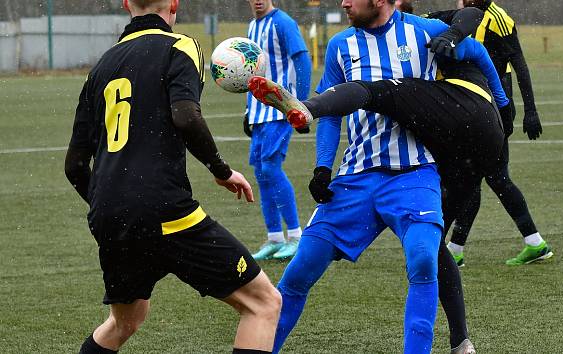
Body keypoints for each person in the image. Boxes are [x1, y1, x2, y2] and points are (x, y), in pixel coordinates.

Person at [247, 1, 502, 353]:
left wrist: (501, 103)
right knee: (299, 270)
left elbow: (476, 51)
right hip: (356, 175)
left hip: (414, 173)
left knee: (425, 258)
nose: (344, 4)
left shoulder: (422, 31)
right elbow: (333, 114)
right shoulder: (340, 45)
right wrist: (323, 167)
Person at [64, 1, 281, 353]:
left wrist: (117, 207)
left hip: (109, 214)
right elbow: (185, 115)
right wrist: (222, 171)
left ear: (125, 4)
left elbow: (74, 166)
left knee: (125, 321)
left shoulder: (101, 67)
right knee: (263, 304)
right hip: (164, 208)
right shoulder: (181, 46)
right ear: (175, 4)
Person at [430, 0, 551, 266]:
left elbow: (518, 62)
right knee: (480, 178)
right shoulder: (455, 17)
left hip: (493, 108)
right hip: (475, 107)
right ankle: (530, 242)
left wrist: (531, 109)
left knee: (484, 178)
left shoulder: (498, 18)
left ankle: (457, 249)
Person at [243, 0, 312, 261]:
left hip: (280, 108)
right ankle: (274, 238)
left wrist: (300, 106)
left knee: (271, 168)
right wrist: (248, 110)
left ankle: (295, 236)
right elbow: (250, 72)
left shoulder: (283, 22)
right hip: (259, 112)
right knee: (261, 172)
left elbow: (302, 60)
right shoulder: (252, 26)